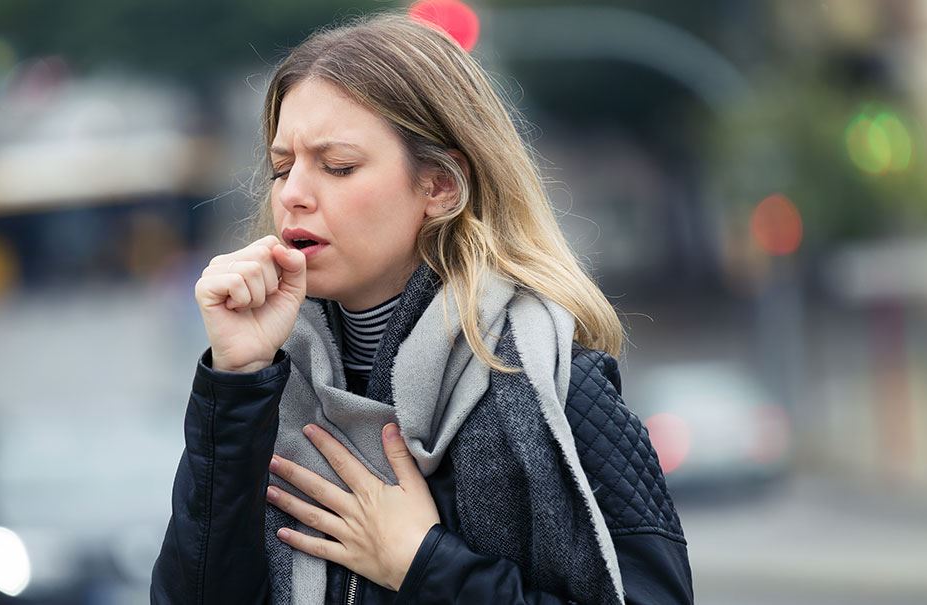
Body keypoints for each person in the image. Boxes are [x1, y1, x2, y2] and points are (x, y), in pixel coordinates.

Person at [151, 13, 693, 605]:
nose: (293, 194)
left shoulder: (557, 386)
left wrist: (424, 562)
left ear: (439, 187)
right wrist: (236, 380)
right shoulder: (264, 389)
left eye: (338, 167)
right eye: (282, 168)